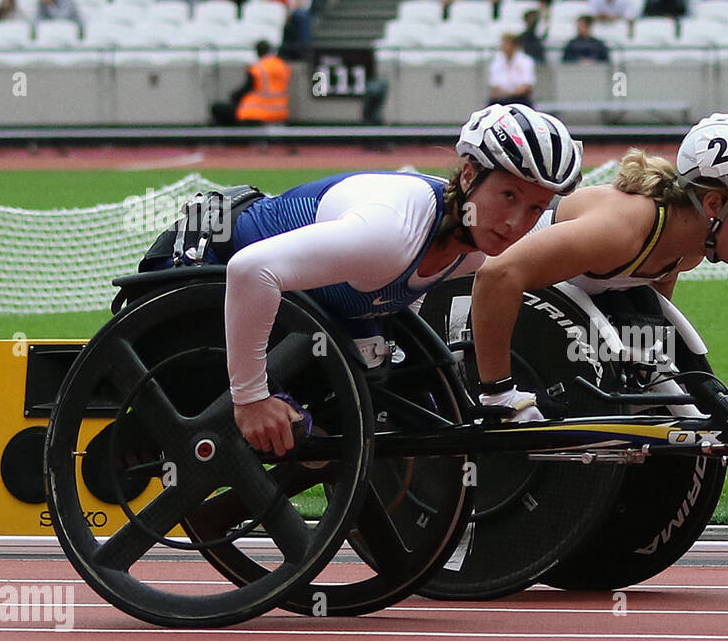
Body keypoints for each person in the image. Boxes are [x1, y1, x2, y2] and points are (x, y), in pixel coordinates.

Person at [213, 104, 581, 454]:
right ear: (469, 175)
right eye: (507, 195)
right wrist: (250, 399)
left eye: (534, 207)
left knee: (410, 402)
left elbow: (401, 297)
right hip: (210, 272)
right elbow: (249, 270)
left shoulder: (475, 247)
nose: (515, 223)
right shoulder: (389, 234)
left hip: (308, 302)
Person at [469, 114, 728, 420]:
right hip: (482, 298)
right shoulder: (622, 229)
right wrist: (500, 395)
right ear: (714, 204)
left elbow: (650, 328)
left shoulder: (688, 248)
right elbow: (497, 275)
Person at [211, 40, 291, 125]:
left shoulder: (258, 68)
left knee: (218, 109)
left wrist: (233, 96)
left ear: (257, 52)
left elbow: (246, 89)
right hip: (279, 112)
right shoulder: (282, 66)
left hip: (256, 113)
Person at [488, 30, 535, 104]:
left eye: (506, 44)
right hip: (501, 98)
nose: (503, 46)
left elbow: (526, 85)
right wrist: (505, 94)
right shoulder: (496, 61)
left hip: (520, 99)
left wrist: (512, 94)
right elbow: (495, 85)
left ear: (514, 45)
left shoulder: (526, 61)